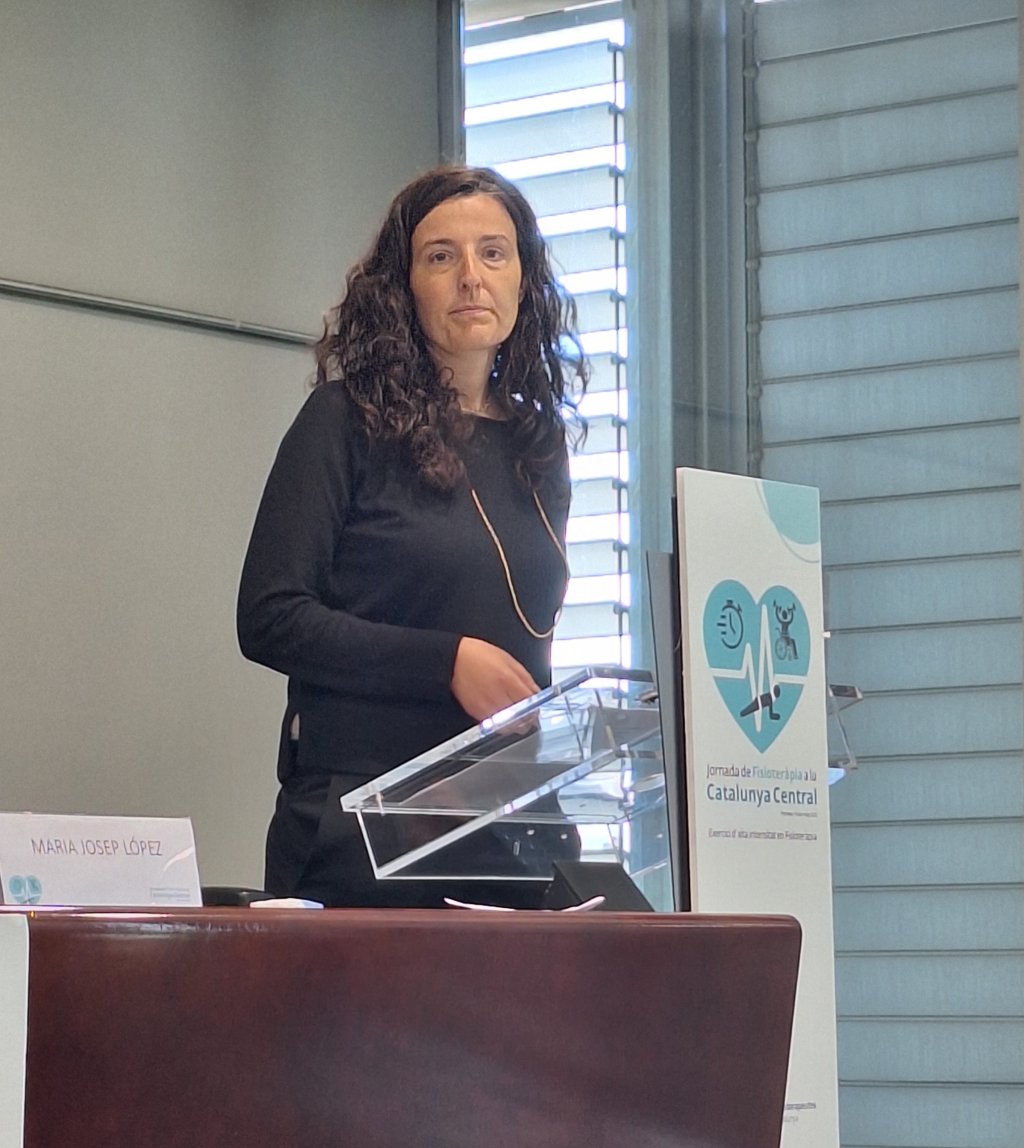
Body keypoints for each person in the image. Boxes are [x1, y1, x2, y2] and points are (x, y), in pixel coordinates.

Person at [237, 165, 588, 907]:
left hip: (508, 827)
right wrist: (445, 662)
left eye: (493, 253)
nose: (470, 277)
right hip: (361, 827)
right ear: (405, 286)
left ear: (524, 280)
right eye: (440, 256)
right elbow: (270, 616)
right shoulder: (342, 420)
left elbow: (526, 639)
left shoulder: (539, 445)